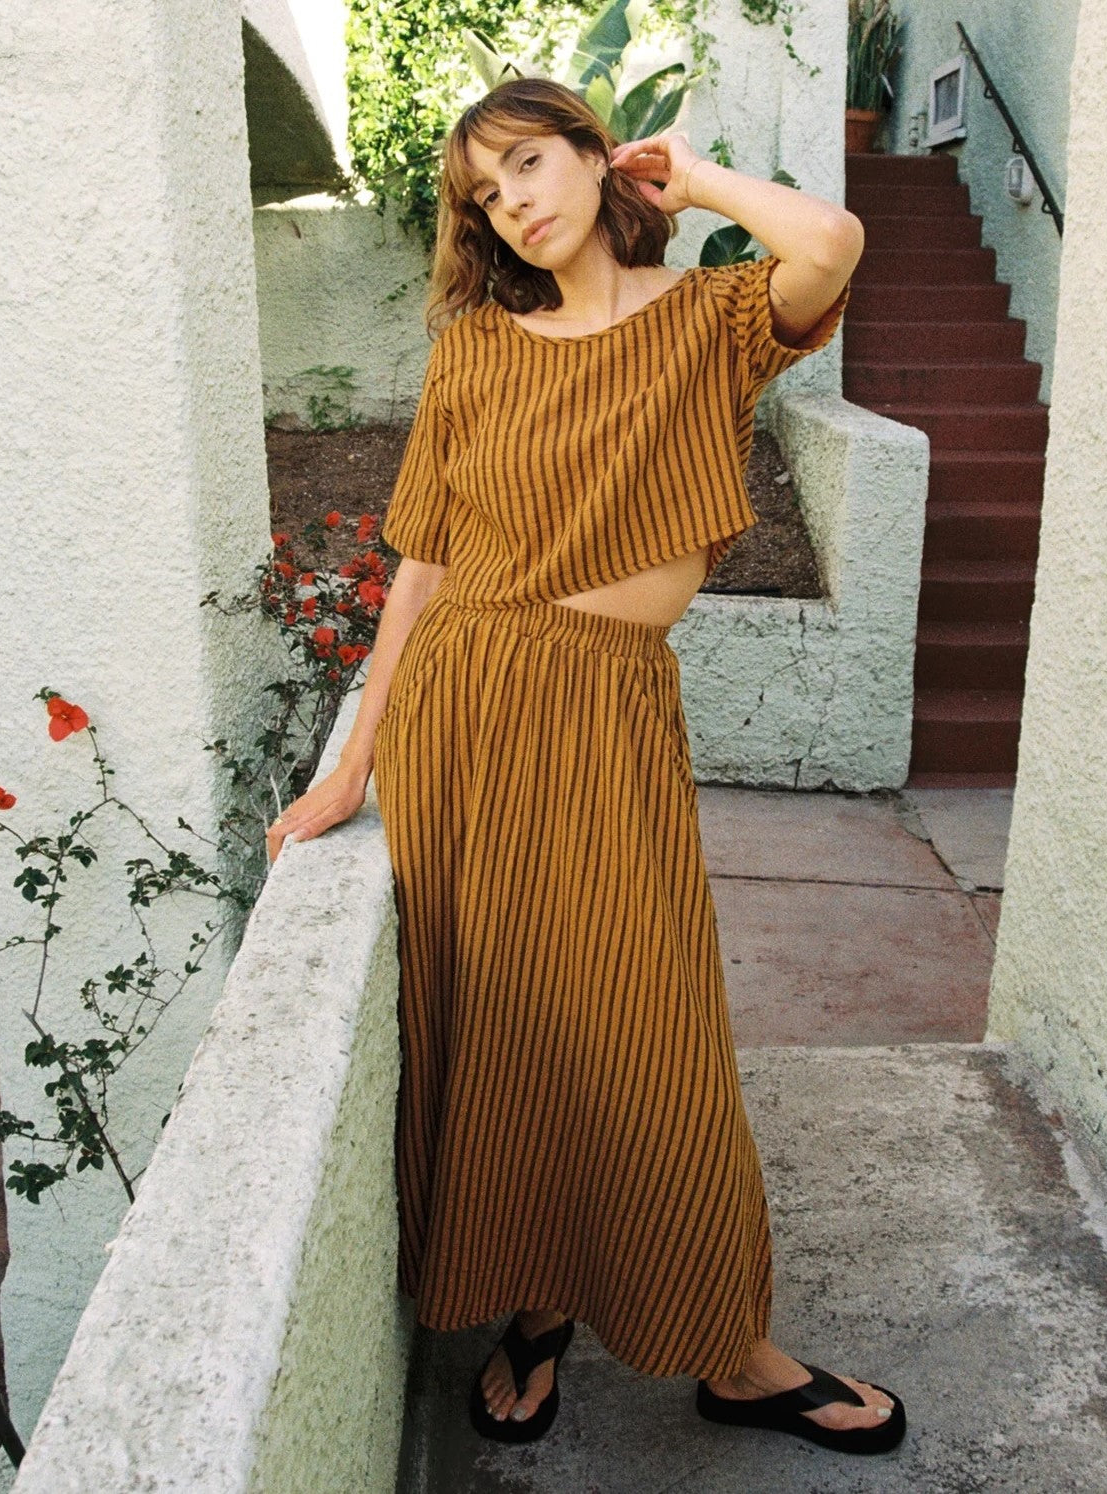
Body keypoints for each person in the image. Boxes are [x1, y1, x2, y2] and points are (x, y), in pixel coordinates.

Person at [266, 77, 905, 1458]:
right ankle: (539, 1303)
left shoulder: (707, 323)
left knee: (650, 1025)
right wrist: (349, 769)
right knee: (517, 1029)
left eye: (534, 164)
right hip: (468, 711)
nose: (521, 204)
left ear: (597, 155)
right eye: (491, 194)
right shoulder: (479, 354)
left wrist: (707, 182)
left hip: (608, 707)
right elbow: (422, 570)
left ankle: (729, 1346)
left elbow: (832, 245)